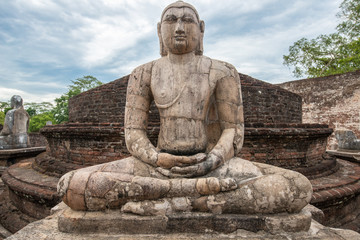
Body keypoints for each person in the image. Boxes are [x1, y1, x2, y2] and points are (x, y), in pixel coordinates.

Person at [58, 1, 312, 215]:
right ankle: (197, 198)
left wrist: (209, 162)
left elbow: (233, 132)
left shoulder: (222, 71)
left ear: (201, 30)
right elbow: (133, 134)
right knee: (70, 184)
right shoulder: (143, 73)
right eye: (171, 20)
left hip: (209, 165)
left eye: (187, 21)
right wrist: (157, 158)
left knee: (298, 186)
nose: (179, 27)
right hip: (154, 167)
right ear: (160, 30)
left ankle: (177, 201)